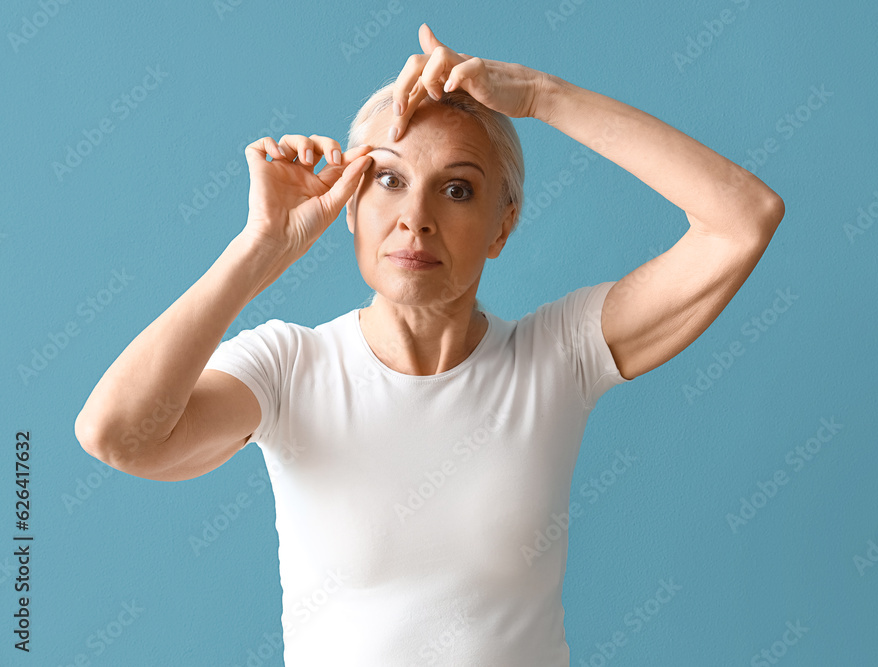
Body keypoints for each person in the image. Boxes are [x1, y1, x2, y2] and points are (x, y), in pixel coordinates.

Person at [74, 22, 784, 667]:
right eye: (388, 179)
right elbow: (116, 435)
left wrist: (539, 95)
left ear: (502, 227)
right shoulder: (289, 368)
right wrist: (260, 248)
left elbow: (743, 219)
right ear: (350, 204)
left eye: (457, 190)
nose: (414, 218)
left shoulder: (556, 357)